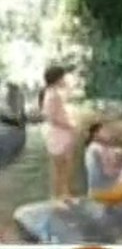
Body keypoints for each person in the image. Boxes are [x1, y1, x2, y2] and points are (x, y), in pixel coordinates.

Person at [40, 65, 77, 202]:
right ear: (57, 78)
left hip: (64, 133)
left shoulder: (55, 92)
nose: (64, 79)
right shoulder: (52, 95)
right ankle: (56, 197)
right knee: (58, 167)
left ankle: (65, 194)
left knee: (67, 165)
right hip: (58, 134)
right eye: (62, 77)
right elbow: (51, 117)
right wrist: (68, 125)